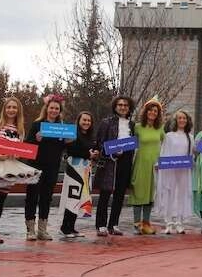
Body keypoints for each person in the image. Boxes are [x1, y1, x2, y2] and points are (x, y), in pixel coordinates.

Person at [0, 96, 40, 244]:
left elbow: (19, 149)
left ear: (18, 110)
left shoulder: (20, 130)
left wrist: (17, 154)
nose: (11, 110)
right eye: (9, 107)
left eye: (14, 107)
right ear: (4, 109)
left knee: (0, 200)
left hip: (9, 167)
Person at [25, 94, 68, 242]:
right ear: (46, 108)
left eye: (57, 108)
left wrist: (68, 142)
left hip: (52, 167)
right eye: (52, 108)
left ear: (59, 111)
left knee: (46, 197)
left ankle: (42, 230)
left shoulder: (62, 127)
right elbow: (28, 144)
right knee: (32, 196)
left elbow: (63, 147)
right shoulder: (37, 124)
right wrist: (36, 139)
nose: (54, 111)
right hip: (36, 166)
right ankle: (30, 230)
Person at [93, 95, 136, 237]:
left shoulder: (132, 125)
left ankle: (113, 224)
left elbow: (132, 143)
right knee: (105, 193)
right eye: (120, 105)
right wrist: (111, 151)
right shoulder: (106, 123)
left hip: (126, 161)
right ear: (115, 107)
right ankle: (101, 225)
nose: (123, 107)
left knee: (120, 194)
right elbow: (100, 143)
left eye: (125, 105)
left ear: (129, 108)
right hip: (110, 161)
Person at [59, 111, 97, 238]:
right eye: (84, 120)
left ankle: (72, 227)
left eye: (89, 120)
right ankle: (65, 228)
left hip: (85, 171)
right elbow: (72, 150)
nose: (86, 122)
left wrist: (95, 154)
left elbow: (92, 150)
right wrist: (88, 154)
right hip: (74, 170)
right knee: (72, 197)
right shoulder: (72, 133)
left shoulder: (90, 136)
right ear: (79, 121)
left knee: (79, 198)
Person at [155, 110, 193, 235]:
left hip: (183, 171)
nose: (182, 120)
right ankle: (169, 222)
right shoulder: (169, 136)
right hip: (170, 170)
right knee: (169, 194)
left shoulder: (190, 137)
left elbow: (191, 155)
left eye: (184, 118)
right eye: (179, 118)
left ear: (187, 120)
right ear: (176, 120)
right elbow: (164, 152)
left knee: (181, 195)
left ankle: (179, 222)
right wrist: (160, 164)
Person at [130, 98, 165, 235]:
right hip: (140, 164)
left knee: (150, 193)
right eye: (150, 110)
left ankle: (146, 224)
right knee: (139, 192)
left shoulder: (160, 129)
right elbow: (129, 143)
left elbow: (168, 145)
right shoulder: (137, 127)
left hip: (154, 166)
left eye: (155, 111)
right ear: (146, 111)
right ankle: (137, 224)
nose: (153, 112)